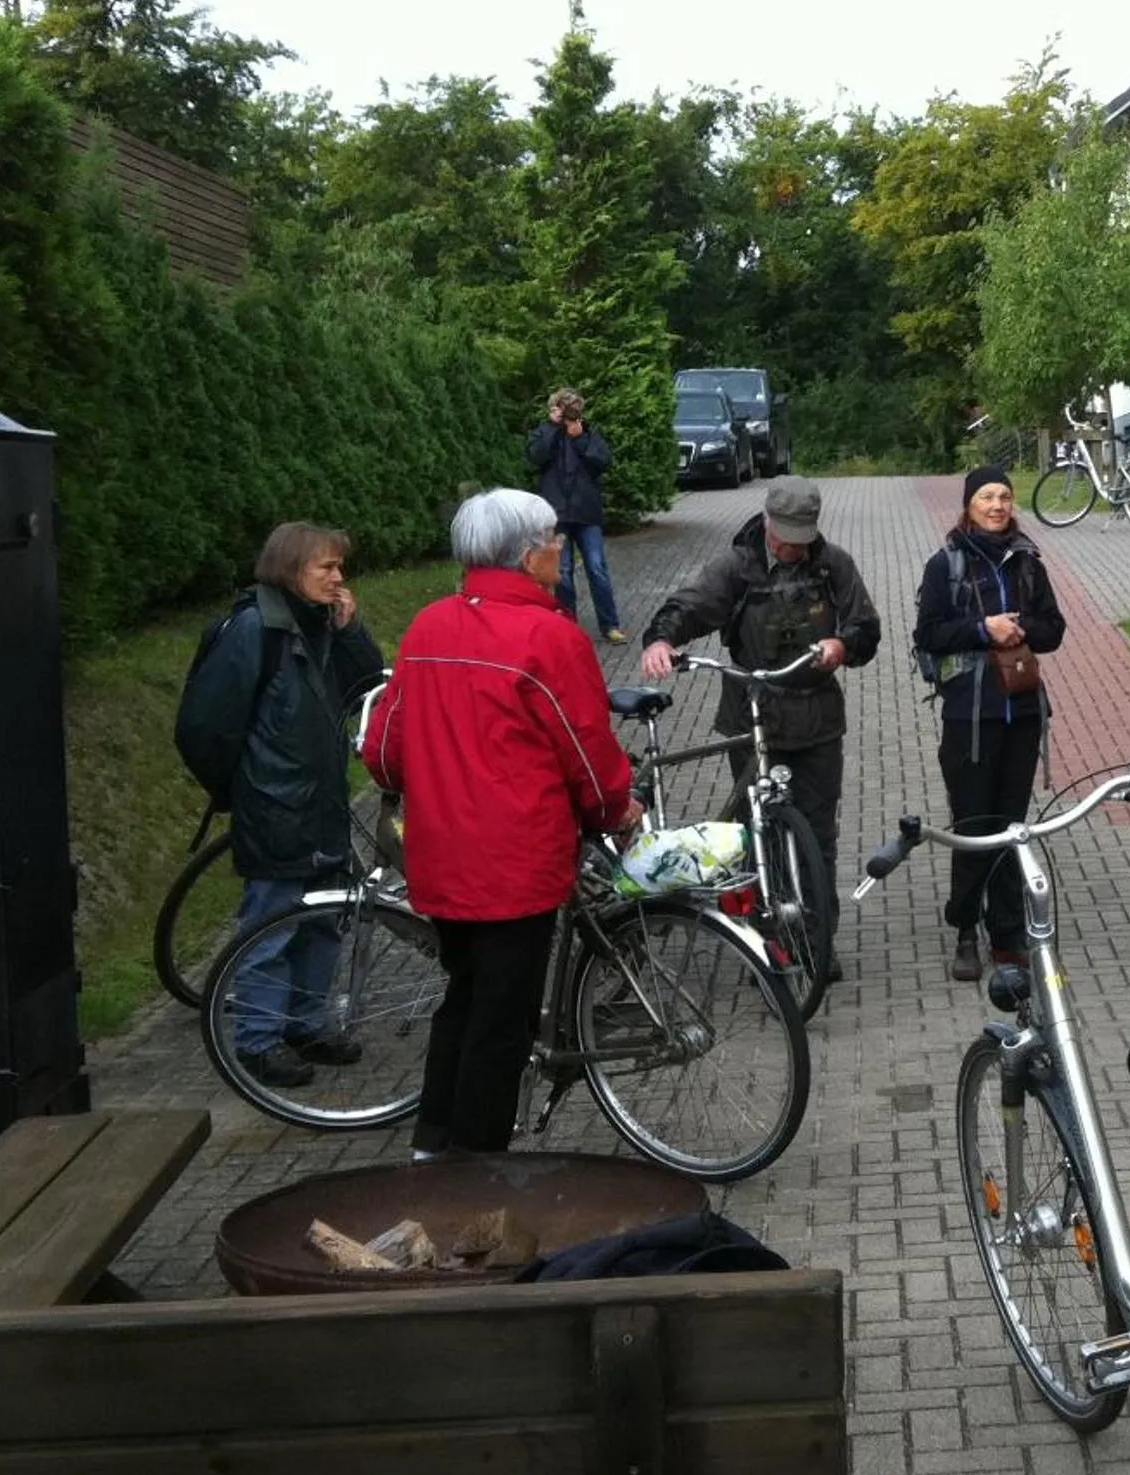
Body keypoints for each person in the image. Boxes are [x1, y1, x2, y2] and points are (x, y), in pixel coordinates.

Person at [362, 488, 639, 1155]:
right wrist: (616, 809)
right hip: (517, 862)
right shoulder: (550, 637)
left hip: (440, 857)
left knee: (463, 997)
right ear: (527, 555)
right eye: (552, 538)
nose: (560, 547)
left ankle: (433, 1144)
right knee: (502, 1020)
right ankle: (474, 1170)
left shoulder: (428, 626)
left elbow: (384, 752)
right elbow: (586, 752)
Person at [638, 477, 880, 972]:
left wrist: (845, 644)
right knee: (757, 834)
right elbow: (690, 607)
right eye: (785, 535)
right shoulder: (738, 567)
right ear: (767, 521)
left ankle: (816, 941)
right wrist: (661, 639)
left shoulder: (833, 565)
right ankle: (767, 944)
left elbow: (866, 627)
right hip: (752, 718)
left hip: (816, 720)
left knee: (816, 835)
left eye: (801, 537)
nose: (793, 546)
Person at [179, 521, 387, 1088]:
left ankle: (305, 1025)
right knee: (271, 927)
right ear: (291, 569)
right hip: (276, 806)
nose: (339, 577)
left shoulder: (319, 624)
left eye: (340, 566)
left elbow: (369, 688)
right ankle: (258, 1040)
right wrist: (246, 788)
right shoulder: (255, 629)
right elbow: (204, 726)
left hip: (323, 803)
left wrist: (350, 631)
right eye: (327, 567)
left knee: (323, 920)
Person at [913, 465, 1066, 982]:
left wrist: (1020, 629)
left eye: (1004, 496)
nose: (997, 505)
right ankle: (964, 928)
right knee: (974, 824)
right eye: (986, 497)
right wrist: (983, 629)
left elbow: (1054, 630)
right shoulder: (946, 564)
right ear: (969, 505)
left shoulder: (1027, 562)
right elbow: (928, 634)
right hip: (969, 716)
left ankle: (1006, 932)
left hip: (1022, 714)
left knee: (1012, 826)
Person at [525, 387, 625, 644]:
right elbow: (535, 457)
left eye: (574, 407)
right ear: (554, 408)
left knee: (597, 567)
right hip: (556, 514)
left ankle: (610, 625)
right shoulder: (545, 432)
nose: (570, 412)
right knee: (563, 570)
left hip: (586, 512)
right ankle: (567, 624)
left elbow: (603, 462)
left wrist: (579, 438)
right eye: (565, 407)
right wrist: (552, 426)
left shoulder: (588, 433)